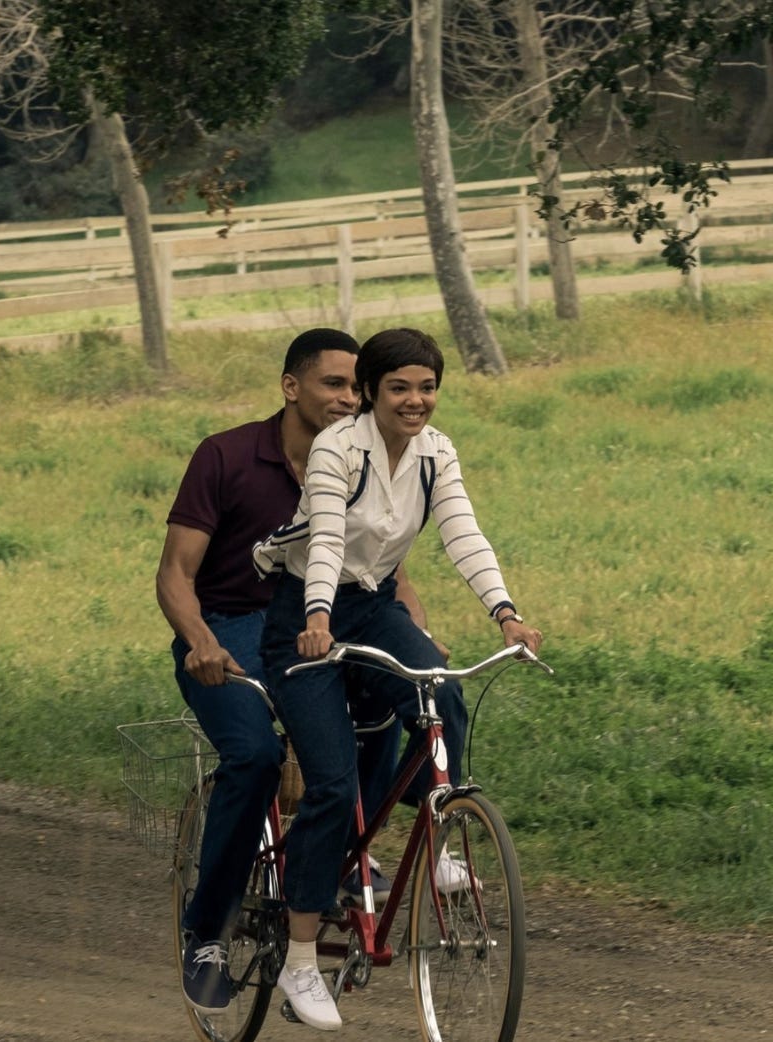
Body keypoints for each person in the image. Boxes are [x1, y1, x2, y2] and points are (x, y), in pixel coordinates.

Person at [254, 326, 543, 1031]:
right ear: (371, 394)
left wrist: (506, 613)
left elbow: (462, 533)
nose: (416, 401)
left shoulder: (436, 454)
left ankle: (441, 833)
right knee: (329, 782)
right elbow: (324, 538)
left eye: (427, 387)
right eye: (400, 388)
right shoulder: (337, 448)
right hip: (305, 615)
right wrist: (317, 615)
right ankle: (299, 961)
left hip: (374, 606)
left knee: (445, 693)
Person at [156, 328, 430, 1017]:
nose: (348, 398)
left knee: (390, 704)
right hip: (229, 631)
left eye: (355, 387)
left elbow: (387, 571)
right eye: (333, 385)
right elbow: (174, 575)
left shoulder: (369, 458)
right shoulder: (225, 457)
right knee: (252, 757)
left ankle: (336, 855)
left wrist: (420, 639)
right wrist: (199, 642)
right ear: (291, 387)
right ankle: (207, 931)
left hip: (328, 624)